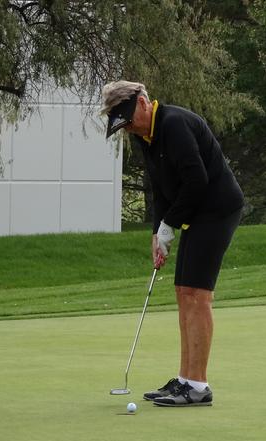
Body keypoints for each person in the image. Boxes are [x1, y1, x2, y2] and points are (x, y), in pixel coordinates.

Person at [102, 81, 244, 407]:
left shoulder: (173, 124)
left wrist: (170, 224)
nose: (128, 129)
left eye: (128, 120)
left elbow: (197, 181)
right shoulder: (147, 136)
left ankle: (198, 385)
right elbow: (161, 190)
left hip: (218, 209)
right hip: (197, 211)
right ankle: (185, 379)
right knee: (183, 291)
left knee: (198, 294)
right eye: (123, 125)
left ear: (142, 103)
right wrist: (158, 232)